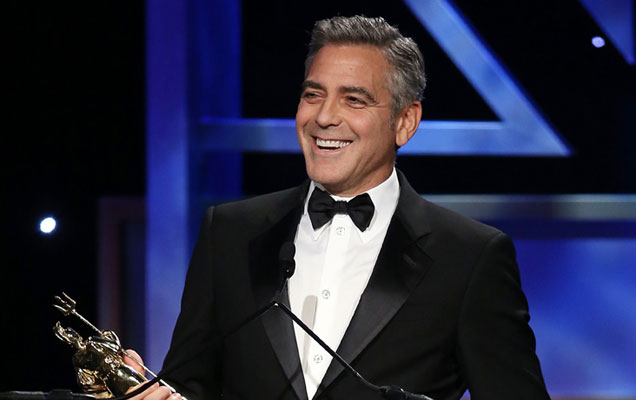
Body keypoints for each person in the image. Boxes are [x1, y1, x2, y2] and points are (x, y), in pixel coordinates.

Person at [127, 15, 550, 400]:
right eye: (313, 94)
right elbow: (190, 382)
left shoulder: (469, 256)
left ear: (405, 122)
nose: (324, 117)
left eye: (354, 100)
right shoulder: (230, 233)